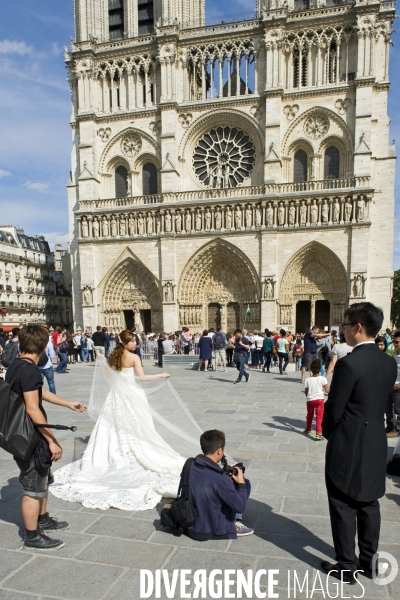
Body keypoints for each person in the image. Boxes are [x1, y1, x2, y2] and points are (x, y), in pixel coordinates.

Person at [50, 330, 198, 511]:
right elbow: (141, 378)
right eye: (132, 341)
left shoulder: (114, 356)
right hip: (132, 395)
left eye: (135, 341)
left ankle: (115, 451)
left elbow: (111, 376)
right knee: (138, 425)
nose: (135, 343)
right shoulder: (134, 357)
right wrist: (160, 375)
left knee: (113, 427)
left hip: (116, 396)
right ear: (125, 342)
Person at [321, 302, 397, 583]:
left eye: (344, 324)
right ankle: (369, 561)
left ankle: (346, 566)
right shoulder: (388, 361)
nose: (342, 329)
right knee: (369, 503)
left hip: (348, 441)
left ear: (357, 327)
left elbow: (334, 409)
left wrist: (331, 435)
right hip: (376, 439)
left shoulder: (350, 363)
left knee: (342, 503)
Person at [5, 325, 86, 550]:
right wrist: (51, 439)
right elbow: (33, 408)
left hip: (24, 433)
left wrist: (68, 402)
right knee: (33, 487)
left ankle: (42, 518)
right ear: (43, 346)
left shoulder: (17, 366)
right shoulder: (29, 370)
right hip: (30, 435)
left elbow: (39, 392)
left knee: (43, 477)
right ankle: (32, 535)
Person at [184, 429, 253, 540]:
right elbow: (240, 506)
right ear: (220, 450)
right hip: (210, 529)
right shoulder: (220, 479)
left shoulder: (190, 464)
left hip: (189, 521)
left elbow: (207, 478)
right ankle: (234, 522)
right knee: (246, 484)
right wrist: (240, 483)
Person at [304, 358, 329, 440]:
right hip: (320, 400)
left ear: (311, 369)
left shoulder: (307, 380)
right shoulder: (323, 379)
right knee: (319, 416)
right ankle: (318, 433)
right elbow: (327, 390)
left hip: (310, 400)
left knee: (309, 415)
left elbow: (306, 391)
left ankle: (308, 429)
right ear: (319, 369)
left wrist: (309, 396)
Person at [386, 330, 400, 438]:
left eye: (398, 342)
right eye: (395, 342)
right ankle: (390, 426)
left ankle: (397, 429)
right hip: (391, 385)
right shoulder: (393, 354)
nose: (396, 344)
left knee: (398, 409)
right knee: (388, 407)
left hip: (398, 387)